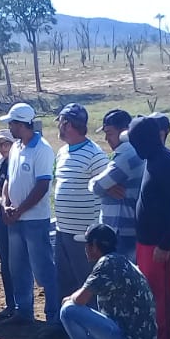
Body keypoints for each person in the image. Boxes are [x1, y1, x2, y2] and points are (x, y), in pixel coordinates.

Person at [126, 114, 170, 339]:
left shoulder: (165, 162)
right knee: (151, 299)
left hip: (161, 246)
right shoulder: (152, 159)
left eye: (135, 141)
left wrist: (165, 244)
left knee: (164, 301)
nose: (134, 147)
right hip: (147, 243)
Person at [60, 224, 159, 339]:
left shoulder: (107, 264)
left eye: (87, 244)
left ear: (94, 246)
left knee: (68, 310)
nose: (85, 248)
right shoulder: (121, 261)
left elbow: (79, 299)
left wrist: (69, 298)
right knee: (98, 309)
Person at [0, 102, 59, 329]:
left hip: (34, 219)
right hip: (16, 217)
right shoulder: (16, 147)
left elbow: (42, 186)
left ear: (21, 124)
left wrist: (19, 209)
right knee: (18, 267)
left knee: (44, 269)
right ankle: (24, 311)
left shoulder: (42, 149)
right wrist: (5, 203)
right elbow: (8, 179)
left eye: (12, 123)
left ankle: (53, 317)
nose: (9, 127)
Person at [53, 103, 110, 302]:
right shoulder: (62, 152)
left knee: (86, 285)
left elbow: (108, 188)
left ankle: (88, 321)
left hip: (83, 235)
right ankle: (64, 320)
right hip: (62, 230)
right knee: (64, 282)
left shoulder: (95, 155)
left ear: (68, 124)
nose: (58, 126)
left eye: (60, 122)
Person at [88, 109, 144, 261]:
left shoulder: (127, 156)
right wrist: (106, 188)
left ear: (124, 131)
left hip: (122, 229)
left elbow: (97, 186)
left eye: (109, 133)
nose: (106, 138)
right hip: (124, 228)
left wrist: (103, 187)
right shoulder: (129, 153)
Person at [0, 129, 17, 318]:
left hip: (15, 214)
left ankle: (19, 304)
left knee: (16, 262)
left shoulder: (16, 162)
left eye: (6, 143)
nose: (2, 147)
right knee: (5, 262)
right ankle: (10, 304)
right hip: (2, 214)